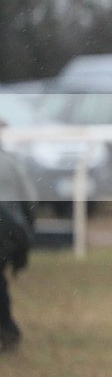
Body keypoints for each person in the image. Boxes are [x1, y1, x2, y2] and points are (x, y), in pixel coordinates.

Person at [0, 120, 37, 353]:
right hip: (10, 232)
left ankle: (8, 330)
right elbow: (30, 201)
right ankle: (8, 330)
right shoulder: (12, 161)